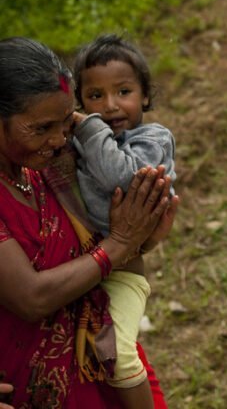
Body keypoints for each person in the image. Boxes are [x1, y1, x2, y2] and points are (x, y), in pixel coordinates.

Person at [0, 36, 177, 408]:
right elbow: (31, 297)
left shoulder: (50, 165)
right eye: (42, 128)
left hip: (100, 361)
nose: (58, 139)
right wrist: (124, 243)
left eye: (66, 123)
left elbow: (100, 238)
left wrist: (144, 239)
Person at [70, 33, 176, 409]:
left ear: (145, 95)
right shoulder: (82, 141)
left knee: (119, 356)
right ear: (80, 100)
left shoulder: (153, 139)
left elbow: (123, 178)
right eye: (95, 96)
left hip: (122, 275)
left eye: (124, 91)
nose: (110, 106)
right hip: (80, 268)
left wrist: (89, 127)